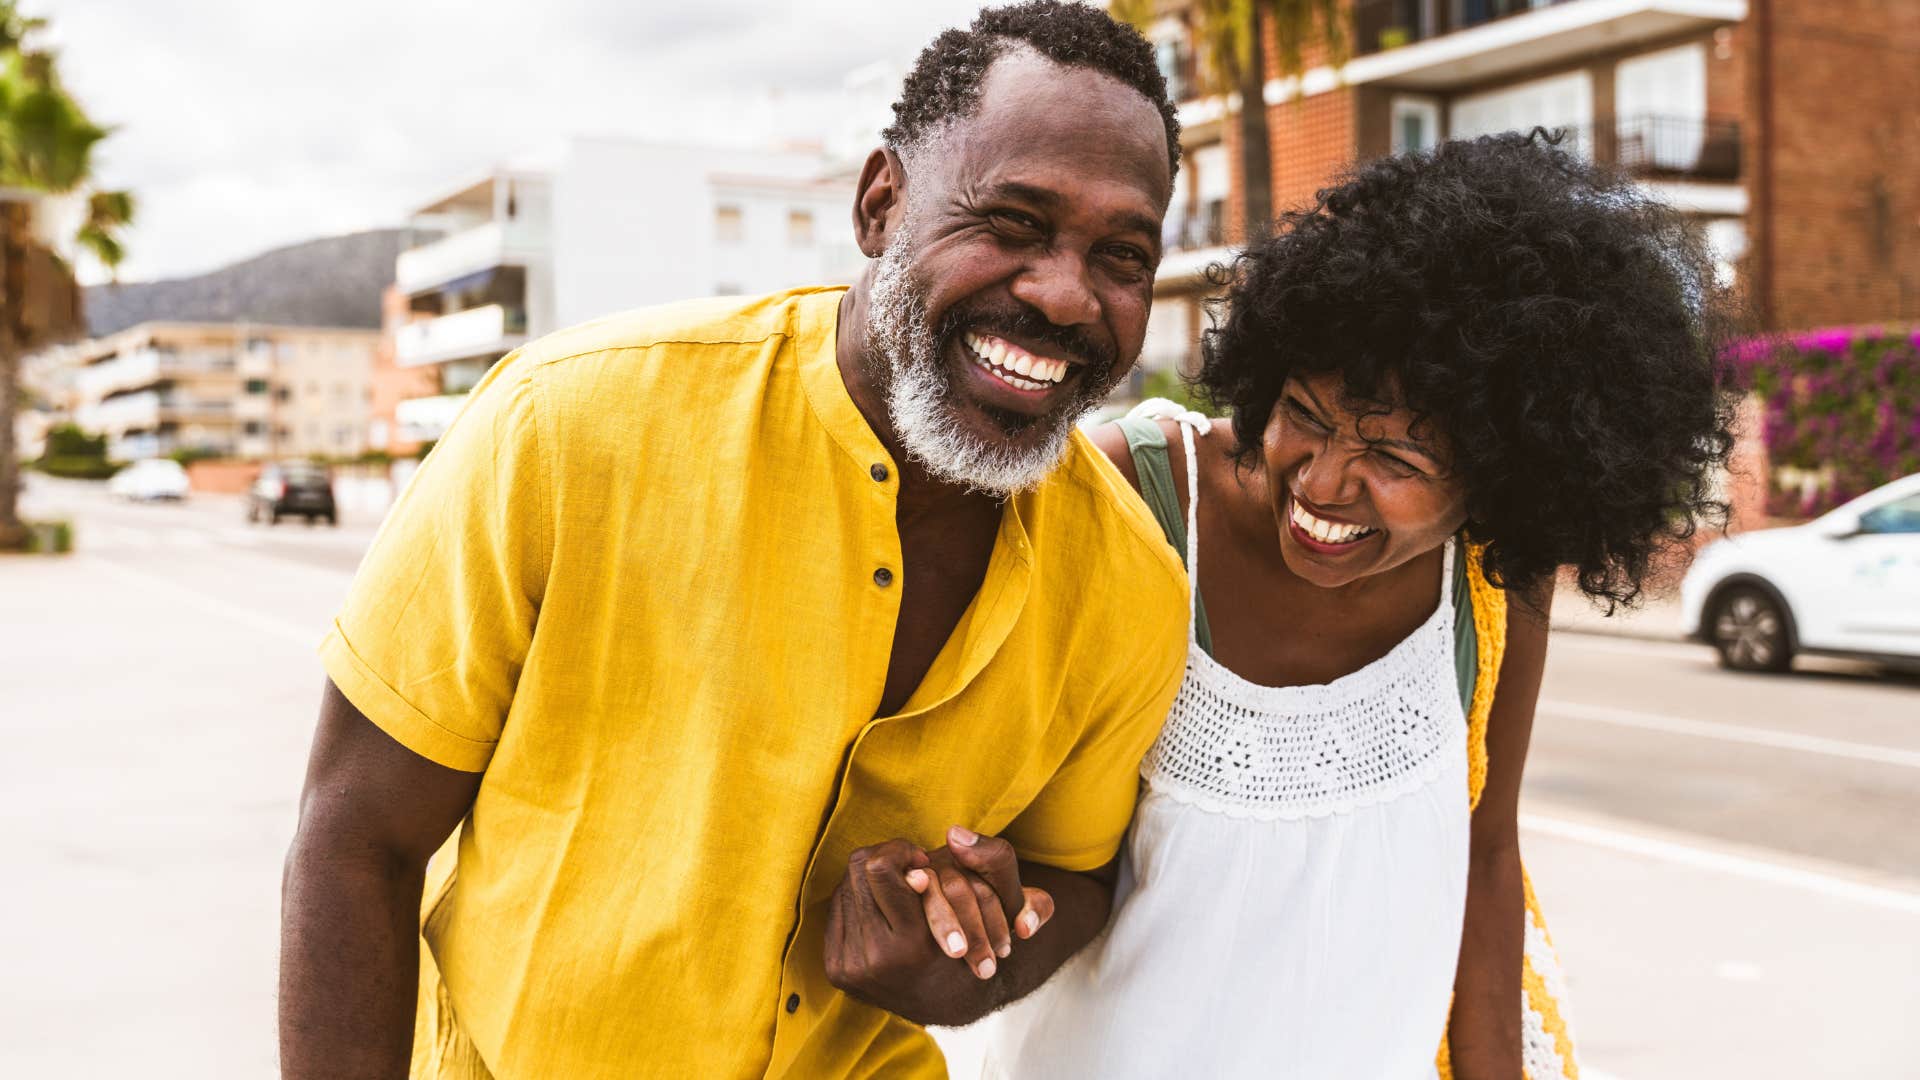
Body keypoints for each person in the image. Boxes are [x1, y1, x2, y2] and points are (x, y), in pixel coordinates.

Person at [277, 5, 1194, 1077]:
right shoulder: (566, 428)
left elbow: (1073, 879)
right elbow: (354, 843)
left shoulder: (1129, 585)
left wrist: (975, 957)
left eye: (1121, 254)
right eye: (1013, 223)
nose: (1063, 292)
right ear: (880, 202)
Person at [975, 132, 1737, 1077]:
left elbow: (1485, 858)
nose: (1324, 483)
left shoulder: (1495, 580)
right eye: (1305, 414)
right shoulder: (1138, 498)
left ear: (1502, 481)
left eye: (1396, 459)